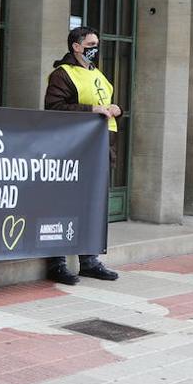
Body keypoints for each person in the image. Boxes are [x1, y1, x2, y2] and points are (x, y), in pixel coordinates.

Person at [43, 26, 121, 284]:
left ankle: (89, 260)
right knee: (63, 206)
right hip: (73, 149)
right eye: (91, 44)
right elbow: (54, 108)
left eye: (96, 43)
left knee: (93, 206)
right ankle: (57, 263)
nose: (95, 48)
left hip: (100, 146)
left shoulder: (98, 74)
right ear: (76, 46)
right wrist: (92, 109)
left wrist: (114, 109)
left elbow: (105, 103)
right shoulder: (62, 74)